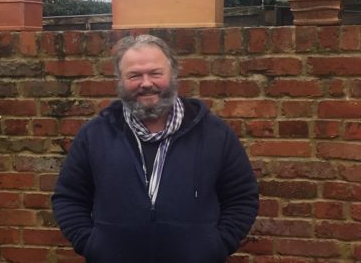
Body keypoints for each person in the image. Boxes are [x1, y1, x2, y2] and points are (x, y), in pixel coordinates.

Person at [52, 35, 259, 263]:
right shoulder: (94, 135)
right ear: (120, 80)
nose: (146, 83)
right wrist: (93, 245)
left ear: (173, 73)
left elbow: (242, 198)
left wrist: (214, 246)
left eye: (155, 73)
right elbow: (69, 197)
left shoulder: (215, 134)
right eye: (134, 75)